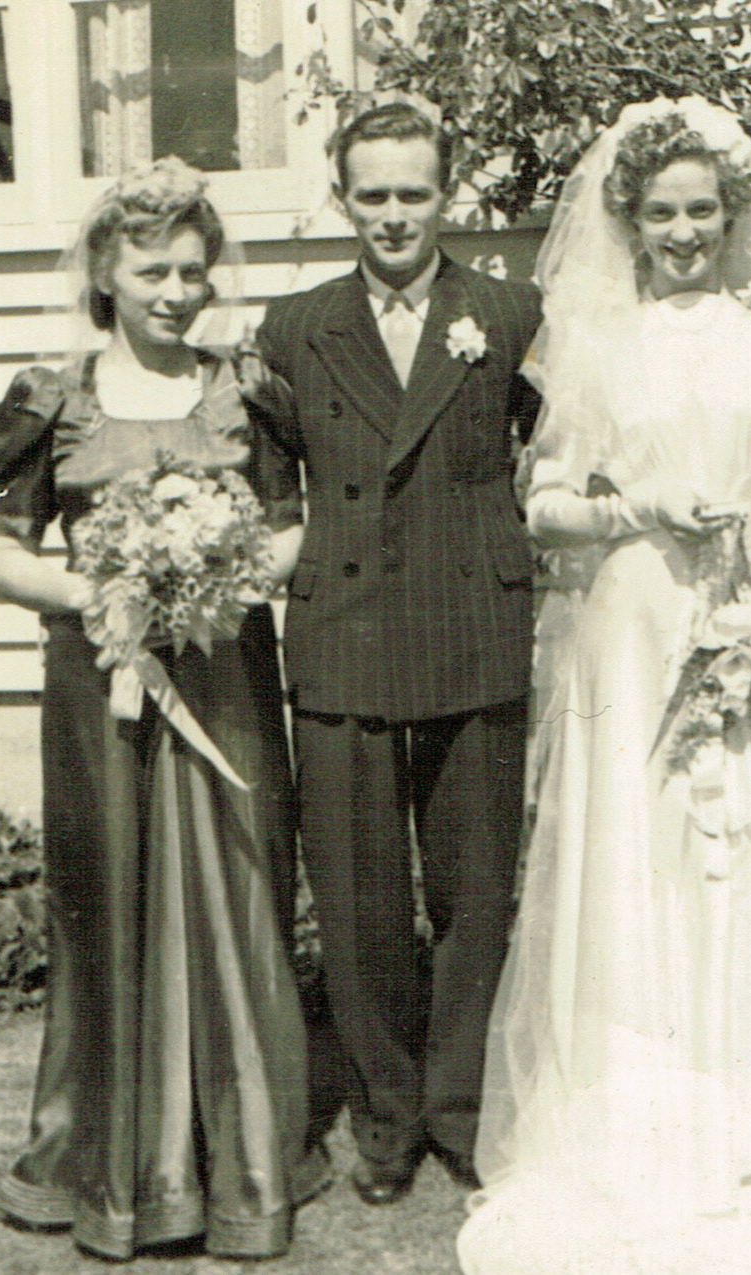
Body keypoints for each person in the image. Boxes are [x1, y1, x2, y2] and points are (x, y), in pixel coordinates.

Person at [455, 98, 751, 1275]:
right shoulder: (594, 339)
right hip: (634, 623)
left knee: (748, 853)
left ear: (733, 213)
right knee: (643, 858)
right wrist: (631, 508)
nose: (684, 233)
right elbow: (539, 503)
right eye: (661, 215)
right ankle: (647, 1124)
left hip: (748, 606)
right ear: (630, 224)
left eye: (703, 210)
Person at [0, 157, 328, 1260]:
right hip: (101, 685)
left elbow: (291, 527)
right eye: (153, 270)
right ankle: (115, 1163)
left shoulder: (245, 388)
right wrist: (111, 592)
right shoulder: (56, 398)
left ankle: (241, 1156)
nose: (178, 291)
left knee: (235, 887)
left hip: (223, 675)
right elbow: (2, 558)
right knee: (111, 896)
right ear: (105, 274)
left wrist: (214, 578)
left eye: (193, 269)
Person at [244, 102, 542, 1207]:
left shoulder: (511, 313)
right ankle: (385, 1121)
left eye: (413, 193)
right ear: (342, 200)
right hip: (346, 636)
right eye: (371, 194)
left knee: (475, 890)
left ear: (446, 195)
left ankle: (462, 1109)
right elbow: (271, 487)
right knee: (363, 901)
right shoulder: (293, 326)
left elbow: (559, 453)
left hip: (475, 628)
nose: (393, 216)